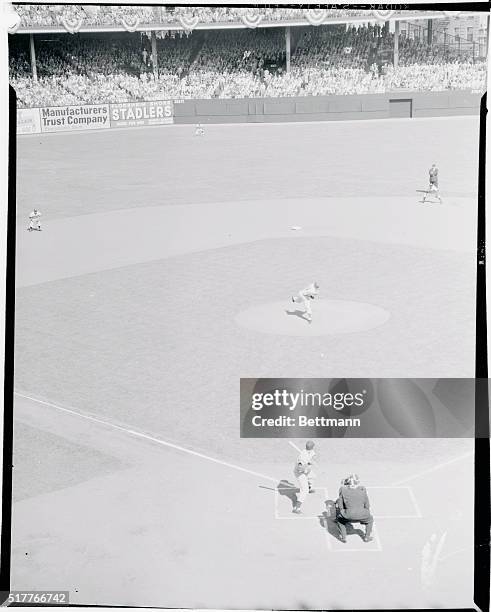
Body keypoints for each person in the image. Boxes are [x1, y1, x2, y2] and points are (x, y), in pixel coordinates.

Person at [335, 473, 374, 543]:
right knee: (370, 520)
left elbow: (340, 504)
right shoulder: (363, 490)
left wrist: (342, 511)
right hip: (363, 514)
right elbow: (367, 504)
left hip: (348, 515)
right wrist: (365, 512)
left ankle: (344, 537)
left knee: (340, 520)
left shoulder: (343, 490)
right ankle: (367, 537)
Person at [292, 440, 316, 514]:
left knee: (313, 476)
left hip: (306, 470)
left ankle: (310, 487)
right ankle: (296, 508)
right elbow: (300, 469)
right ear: (312, 447)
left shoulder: (311, 452)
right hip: (299, 473)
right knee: (304, 491)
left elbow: (312, 457)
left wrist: (310, 462)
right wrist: (307, 467)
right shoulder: (302, 457)